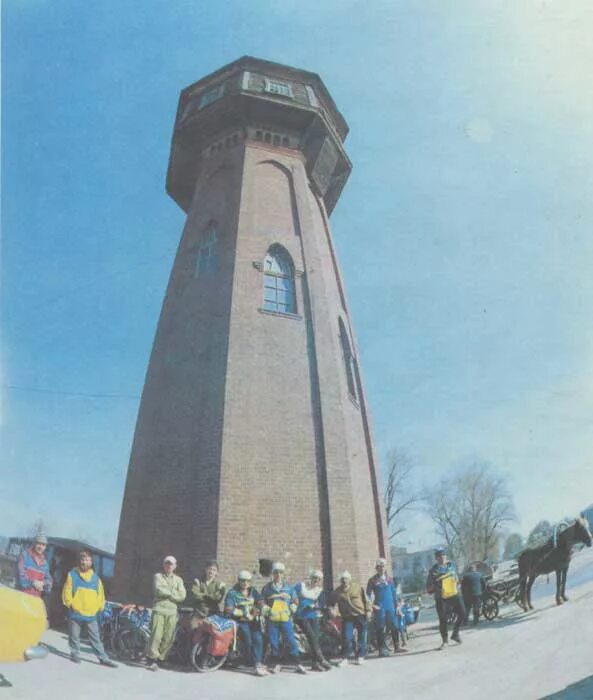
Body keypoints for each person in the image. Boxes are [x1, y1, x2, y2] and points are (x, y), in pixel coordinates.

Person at [62, 549, 117, 667]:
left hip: (91, 614)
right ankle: (75, 653)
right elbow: (67, 591)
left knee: (95, 638)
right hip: (75, 612)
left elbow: (100, 595)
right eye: (82, 559)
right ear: (79, 561)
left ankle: (103, 658)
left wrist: (99, 607)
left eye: (87, 560)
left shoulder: (96, 579)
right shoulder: (72, 574)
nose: (84, 562)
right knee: (74, 635)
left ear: (91, 562)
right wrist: (71, 604)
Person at [259, 562, 307, 674]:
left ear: (283, 574)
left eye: (280, 573)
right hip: (272, 619)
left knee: (291, 640)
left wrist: (291, 608)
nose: (278, 575)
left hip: (285, 619)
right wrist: (266, 609)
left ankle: (298, 663)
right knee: (274, 641)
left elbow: (295, 600)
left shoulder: (289, 588)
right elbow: (261, 600)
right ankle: (276, 664)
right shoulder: (267, 588)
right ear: (273, 574)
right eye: (276, 573)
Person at [145, 555, 186, 671]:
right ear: (164, 565)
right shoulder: (158, 576)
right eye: (167, 563)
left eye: (171, 564)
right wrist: (173, 594)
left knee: (169, 637)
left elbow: (182, 595)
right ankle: (152, 659)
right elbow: (158, 589)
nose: (169, 566)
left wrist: (167, 593)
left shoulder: (179, 580)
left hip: (172, 611)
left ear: (175, 566)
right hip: (159, 609)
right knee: (156, 635)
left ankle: (161, 659)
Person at [224, 570, 267, 676]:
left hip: (253, 620)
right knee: (248, 640)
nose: (245, 583)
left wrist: (260, 608)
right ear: (239, 581)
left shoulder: (253, 591)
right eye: (243, 581)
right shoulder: (232, 592)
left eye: (248, 581)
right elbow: (229, 609)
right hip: (240, 621)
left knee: (258, 639)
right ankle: (248, 660)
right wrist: (243, 613)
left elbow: (260, 601)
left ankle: (257, 663)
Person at [426, 548, 465, 648]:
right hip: (441, 597)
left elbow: (457, 579)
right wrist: (436, 585)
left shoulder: (451, 566)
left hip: (454, 594)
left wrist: (457, 581)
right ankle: (445, 641)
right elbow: (429, 589)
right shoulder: (433, 571)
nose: (441, 558)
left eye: (443, 555)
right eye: (439, 556)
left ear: (446, 557)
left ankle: (455, 634)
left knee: (463, 613)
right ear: (436, 558)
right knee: (443, 619)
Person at [294, 569, 332, 671]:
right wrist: (295, 605)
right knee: (311, 636)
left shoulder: (319, 591)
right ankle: (321, 658)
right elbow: (292, 596)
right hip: (301, 616)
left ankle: (314, 664)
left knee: (315, 638)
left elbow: (322, 604)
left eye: (319, 579)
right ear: (311, 578)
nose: (316, 580)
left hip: (313, 616)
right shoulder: (301, 586)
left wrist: (317, 606)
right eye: (315, 578)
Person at [367, 557, 406, 656]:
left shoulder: (390, 579)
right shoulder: (372, 580)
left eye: (383, 566)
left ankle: (397, 647)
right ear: (376, 568)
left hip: (391, 606)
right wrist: (372, 605)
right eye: (379, 566)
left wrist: (397, 606)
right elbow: (367, 595)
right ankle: (381, 649)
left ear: (385, 567)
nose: (381, 568)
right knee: (380, 628)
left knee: (395, 626)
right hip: (380, 607)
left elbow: (394, 594)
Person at [333, 571, 372, 666]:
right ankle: (345, 658)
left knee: (362, 636)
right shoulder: (337, 591)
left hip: (360, 614)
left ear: (349, 580)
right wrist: (333, 611)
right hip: (347, 617)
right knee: (347, 637)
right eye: (342, 579)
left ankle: (360, 656)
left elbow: (366, 600)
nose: (344, 581)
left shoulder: (357, 587)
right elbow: (332, 603)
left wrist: (368, 611)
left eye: (346, 579)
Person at [17, 534, 52, 598]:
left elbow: (49, 583)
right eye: (39, 544)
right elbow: (21, 579)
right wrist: (33, 583)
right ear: (34, 544)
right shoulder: (24, 556)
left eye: (43, 545)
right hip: (21, 596)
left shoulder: (45, 563)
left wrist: (43, 583)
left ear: (45, 547)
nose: (40, 547)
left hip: (35, 600)